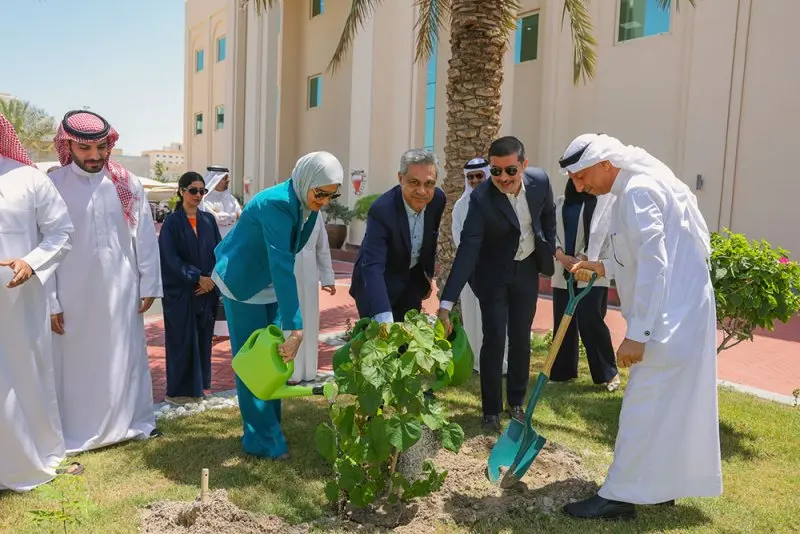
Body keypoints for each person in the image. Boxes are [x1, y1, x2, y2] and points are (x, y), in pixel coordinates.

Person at [560, 133, 722, 520]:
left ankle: (618, 495)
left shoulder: (637, 191)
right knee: (671, 406)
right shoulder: (630, 189)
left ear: (605, 164)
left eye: (582, 177)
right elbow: (634, 252)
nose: (580, 187)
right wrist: (601, 268)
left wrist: (638, 334)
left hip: (669, 319)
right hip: (680, 313)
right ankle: (660, 487)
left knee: (642, 407)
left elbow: (655, 263)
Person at [212, 151, 343, 459]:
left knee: (273, 359)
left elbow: (288, 259)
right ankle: (260, 440)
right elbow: (282, 265)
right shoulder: (275, 203)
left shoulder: (306, 203)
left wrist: (290, 323)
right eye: (320, 193)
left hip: (268, 284)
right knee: (252, 364)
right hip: (243, 284)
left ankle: (270, 426)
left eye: (331, 196)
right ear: (307, 180)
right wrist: (295, 328)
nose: (324, 201)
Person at [47, 110, 162, 454]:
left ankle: (135, 422)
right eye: (85, 149)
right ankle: (77, 432)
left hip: (122, 289)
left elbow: (144, 238)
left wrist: (149, 285)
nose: (95, 156)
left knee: (125, 357)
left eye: (101, 147)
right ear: (68, 145)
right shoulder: (53, 185)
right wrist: (50, 300)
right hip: (72, 294)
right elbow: (46, 248)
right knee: (76, 362)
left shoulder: (127, 183)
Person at [437, 136, 557, 433]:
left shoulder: (540, 181)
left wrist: (547, 244)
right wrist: (446, 302)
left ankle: (516, 402)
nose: (502, 178)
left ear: (524, 166)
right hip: (492, 275)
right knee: (494, 339)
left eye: (510, 171)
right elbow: (467, 250)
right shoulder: (480, 200)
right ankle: (490, 410)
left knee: (521, 338)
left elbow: (549, 213)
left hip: (527, 270)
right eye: (496, 171)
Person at [0, 113, 77, 491]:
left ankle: (25, 462)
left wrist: (30, 262)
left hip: (17, 304)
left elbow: (62, 233)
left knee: (20, 378)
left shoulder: (27, 178)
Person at [350, 149, 445, 323]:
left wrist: (427, 276)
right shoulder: (382, 210)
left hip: (411, 282)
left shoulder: (437, 200)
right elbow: (373, 266)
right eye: (414, 182)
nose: (422, 191)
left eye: (429, 183)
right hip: (376, 285)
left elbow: (430, 238)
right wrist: (383, 317)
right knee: (380, 344)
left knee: (409, 343)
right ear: (400, 178)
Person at [158, 171, 222, 405]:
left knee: (203, 339)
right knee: (182, 340)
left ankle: (198, 389)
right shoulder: (172, 222)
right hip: (182, 292)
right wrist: (196, 277)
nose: (198, 195)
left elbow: (219, 252)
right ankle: (178, 392)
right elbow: (169, 258)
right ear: (181, 191)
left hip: (206, 292)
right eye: (193, 190)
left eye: (202, 191)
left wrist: (212, 279)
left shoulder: (208, 220)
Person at [550, 178, 620, 390]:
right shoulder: (561, 203)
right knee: (563, 322)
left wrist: (583, 258)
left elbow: (605, 235)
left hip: (592, 273)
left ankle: (608, 374)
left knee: (592, 322)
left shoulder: (603, 203)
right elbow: (550, 231)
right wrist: (560, 254)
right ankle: (562, 372)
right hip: (563, 272)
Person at [452, 158, 508, 375]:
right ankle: (477, 363)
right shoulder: (460, 206)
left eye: (479, 176)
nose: (475, 180)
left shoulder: (501, 200)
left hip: (497, 271)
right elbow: (459, 237)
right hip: (471, 271)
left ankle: (502, 363)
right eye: (470, 177)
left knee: (498, 318)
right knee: (473, 314)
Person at [290, 215, 336, 384]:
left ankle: (309, 370)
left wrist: (328, 278)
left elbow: (322, 246)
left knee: (309, 320)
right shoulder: (284, 208)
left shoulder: (317, 214)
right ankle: (291, 371)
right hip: (287, 272)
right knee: (290, 322)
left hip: (309, 275)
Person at [200, 165, 241, 238]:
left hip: (230, 240)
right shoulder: (204, 199)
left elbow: (240, 215)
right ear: (216, 180)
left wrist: (224, 217)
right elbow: (214, 218)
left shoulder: (231, 198)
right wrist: (234, 216)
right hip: (213, 241)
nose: (228, 180)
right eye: (225, 178)